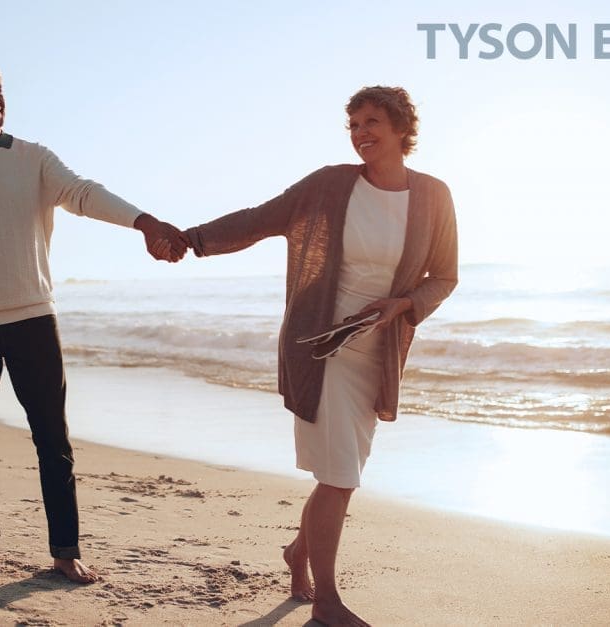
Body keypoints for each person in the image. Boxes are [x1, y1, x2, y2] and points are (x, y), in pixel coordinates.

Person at [0, 57, 188, 583]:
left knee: (53, 438)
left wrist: (143, 221)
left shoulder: (34, 159)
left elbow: (84, 194)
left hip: (32, 319)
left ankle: (65, 551)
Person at [182, 86, 458, 625]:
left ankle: (297, 553)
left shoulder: (434, 196)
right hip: (321, 345)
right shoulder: (331, 184)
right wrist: (192, 239)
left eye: (373, 121)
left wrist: (404, 303)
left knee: (341, 470)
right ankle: (326, 603)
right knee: (339, 477)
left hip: (375, 353)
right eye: (353, 124)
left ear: (403, 128)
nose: (361, 133)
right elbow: (261, 218)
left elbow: (444, 276)